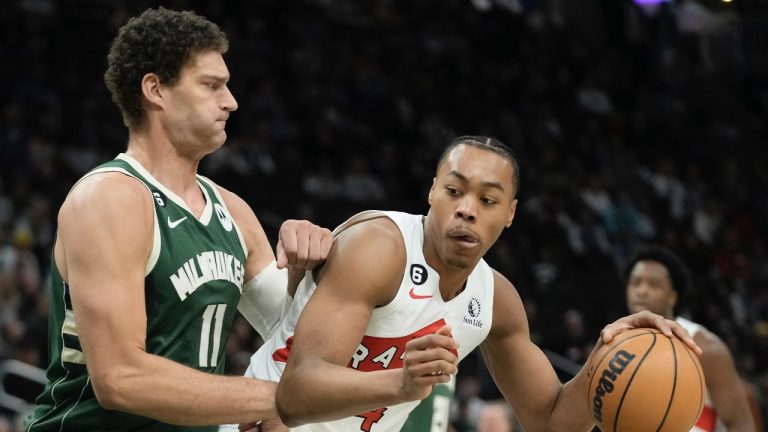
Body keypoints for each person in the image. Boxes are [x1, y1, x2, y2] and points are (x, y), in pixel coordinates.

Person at [225, 136, 700, 432]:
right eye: (454, 191)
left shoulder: (497, 300)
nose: (468, 208)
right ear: (432, 191)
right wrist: (401, 383)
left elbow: (551, 420)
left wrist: (608, 357)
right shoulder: (380, 248)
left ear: (510, 214)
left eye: (489, 200)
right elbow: (297, 393)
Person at [23, 7, 332, 432]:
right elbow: (121, 379)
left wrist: (303, 269)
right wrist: (277, 400)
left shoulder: (233, 211)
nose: (231, 101)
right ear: (155, 90)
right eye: (212, 86)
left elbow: (295, 335)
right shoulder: (110, 198)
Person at [625, 246, 756, 432]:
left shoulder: (705, 347)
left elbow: (740, 423)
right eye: (635, 282)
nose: (642, 291)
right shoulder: (616, 344)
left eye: (654, 284)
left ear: (673, 297)